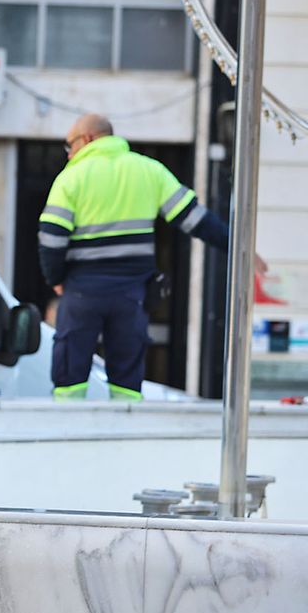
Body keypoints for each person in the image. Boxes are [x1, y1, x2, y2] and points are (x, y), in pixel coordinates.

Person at [40, 113, 232, 400]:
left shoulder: (71, 178)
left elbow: (52, 238)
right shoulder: (150, 170)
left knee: (69, 379)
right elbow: (194, 219)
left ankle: (70, 434)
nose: (69, 155)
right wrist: (238, 247)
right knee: (126, 384)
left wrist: (55, 278)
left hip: (82, 291)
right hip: (131, 294)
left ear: (88, 139)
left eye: (70, 145)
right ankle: (123, 436)